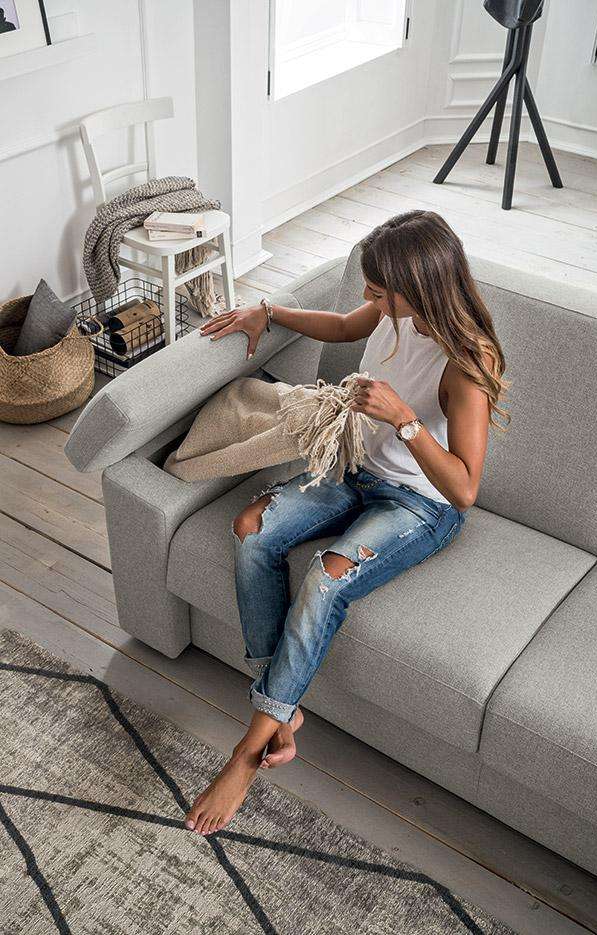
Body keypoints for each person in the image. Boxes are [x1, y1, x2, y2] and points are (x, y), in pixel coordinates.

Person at [184, 209, 510, 837]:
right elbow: (339, 326)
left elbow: (465, 489)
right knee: (252, 528)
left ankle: (246, 753)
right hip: (356, 468)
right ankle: (281, 711)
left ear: (419, 287)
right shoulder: (396, 313)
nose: (368, 297)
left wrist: (403, 420)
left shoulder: (468, 362)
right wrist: (267, 312)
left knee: (326, 578)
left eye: (379, 290)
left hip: (420, 505)